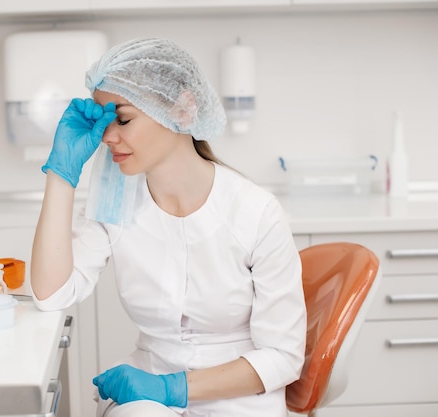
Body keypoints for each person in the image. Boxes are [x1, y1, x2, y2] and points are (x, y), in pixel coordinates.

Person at [31, 37, 307, 417]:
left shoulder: (255, 212)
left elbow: (283, 357)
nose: (108, 137)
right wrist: (61, 173)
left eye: (123, 119)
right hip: (147, 394)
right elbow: (51, 294)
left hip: (240, 394)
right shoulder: (115, 200)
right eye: (103, 122)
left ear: (183, 110)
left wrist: (170, 388)